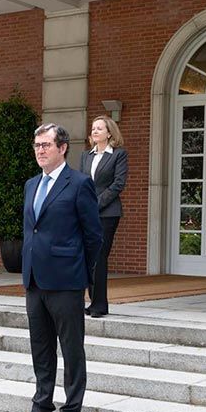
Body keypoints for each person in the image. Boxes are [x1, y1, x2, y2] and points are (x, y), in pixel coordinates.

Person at [10, 123, 103, 412]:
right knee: (41, 349)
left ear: (63, 148)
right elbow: (30, 231)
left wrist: (82, 273)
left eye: (46, 144)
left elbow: (93, 236)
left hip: (66, 280)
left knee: (71, 349)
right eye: (36, 145)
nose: (40, 150)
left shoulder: (79, 184)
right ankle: (41, 411)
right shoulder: (30, 184)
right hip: (35, 280)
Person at [79, 115, 128, 318]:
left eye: (100, 128)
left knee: (99, 256)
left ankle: (100, 305)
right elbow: (81, 183)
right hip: (86, 213)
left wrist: (95, 204)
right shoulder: (86, 156)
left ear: (109, 133)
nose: (95, 131)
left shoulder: (118, 155)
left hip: (107, 213)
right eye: (93, 128)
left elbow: (118, 184)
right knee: (88, 257)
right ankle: (92, 302)